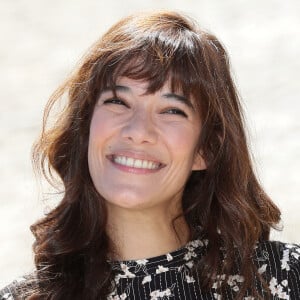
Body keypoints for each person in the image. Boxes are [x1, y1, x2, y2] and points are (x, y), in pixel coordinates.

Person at [1, 10, 299, 300]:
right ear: (86, 128)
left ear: (206, 149)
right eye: (118, 101)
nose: (138, 130)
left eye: (172, 110)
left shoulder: (283, 280)